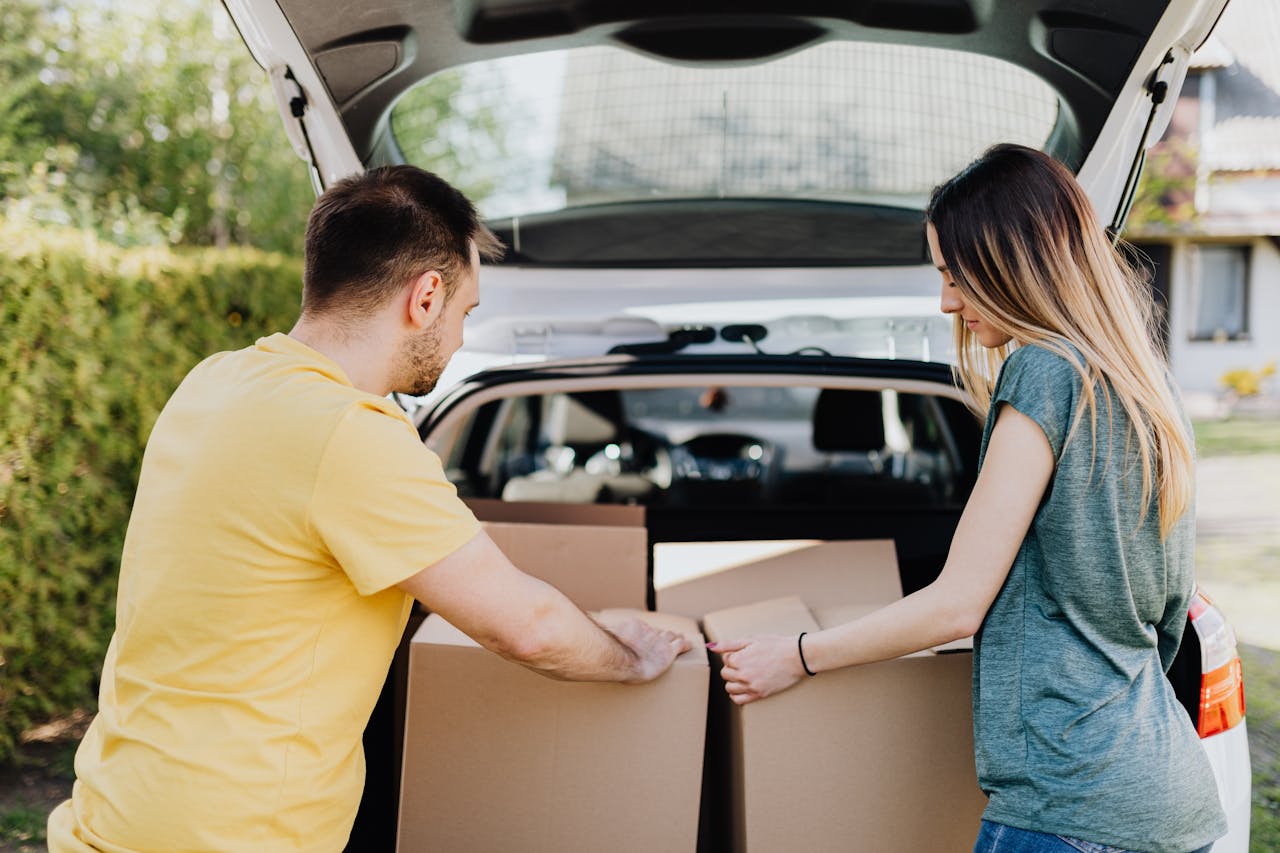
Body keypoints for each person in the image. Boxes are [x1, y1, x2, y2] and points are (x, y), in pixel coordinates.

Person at [47, 165, 691, 852]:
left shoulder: (213, 382)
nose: (462, 338)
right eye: (466, 312)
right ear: (426, 296)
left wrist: (586, 623)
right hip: (231, 835)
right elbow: (526, 629)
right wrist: (633, 659)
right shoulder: (351, 435)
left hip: (112, 811)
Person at [710, 144, 1227, 853]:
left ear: (1014, 262)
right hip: (1169, 796)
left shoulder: (1044, 372)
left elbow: (958, 600)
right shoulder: (1148, 391)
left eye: (956, 274)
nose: (946, 300)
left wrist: (796, 655)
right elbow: (1161, 617)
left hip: (1068, 807)